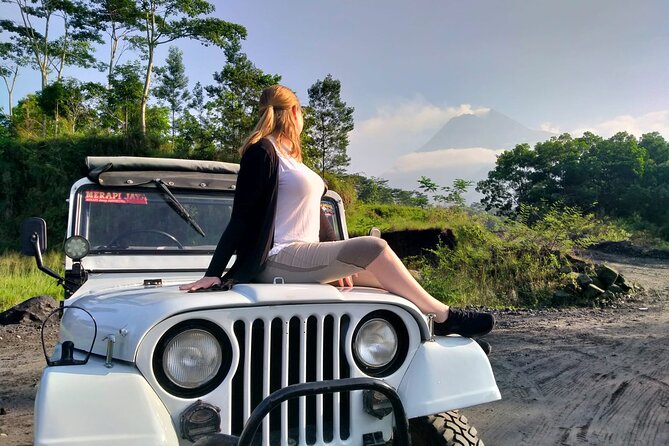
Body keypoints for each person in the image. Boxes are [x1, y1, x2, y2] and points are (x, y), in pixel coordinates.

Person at [180, 85, 493, 338]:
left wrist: (336, 264)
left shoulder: (292, 159)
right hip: (277, 258)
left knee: (390, 279)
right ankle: (445, 316)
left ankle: (418, 330)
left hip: (304, 256)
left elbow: (316, 216)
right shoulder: (262, 152)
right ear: (294, 112)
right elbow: (241, 217)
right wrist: (213, 273)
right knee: (374, 247)